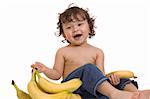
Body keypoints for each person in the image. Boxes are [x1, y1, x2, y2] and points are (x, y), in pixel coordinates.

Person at [31, 5, 150, 99]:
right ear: (64, 34)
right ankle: (115, 94)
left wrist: (114, 79)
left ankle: (137, 95)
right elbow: (56, 74)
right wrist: (45, 70)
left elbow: (101, 76)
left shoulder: (97, 52)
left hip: (92, 90)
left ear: (89, 27)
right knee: (88, 69)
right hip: (74, 89)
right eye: (69, 27)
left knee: (122, 79)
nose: (75, 29)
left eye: (79, 24)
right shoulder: (63, 52)